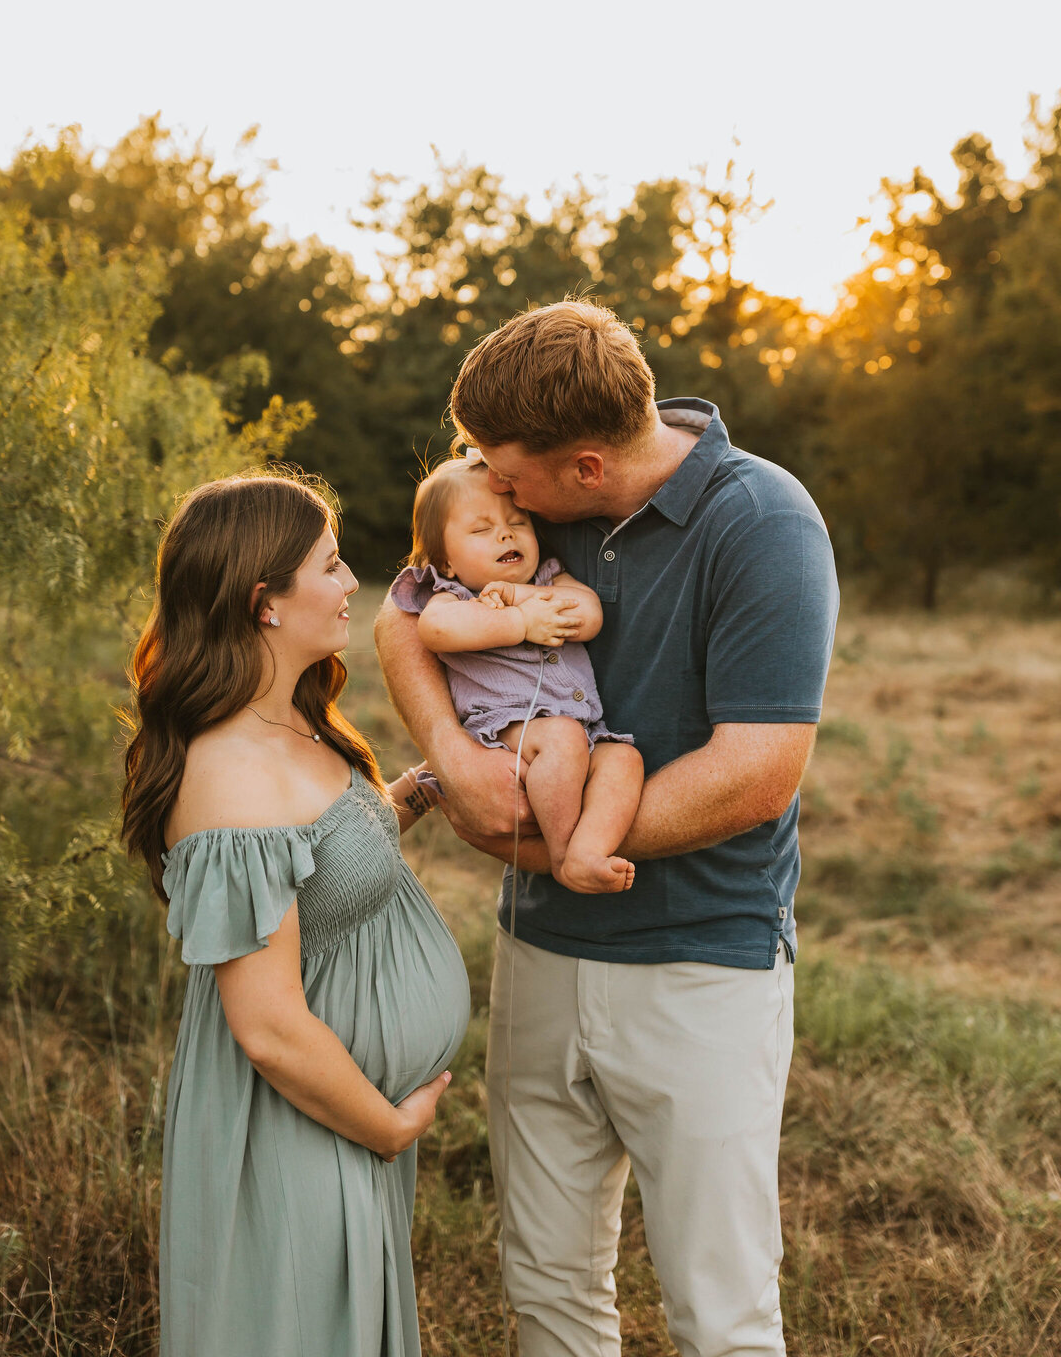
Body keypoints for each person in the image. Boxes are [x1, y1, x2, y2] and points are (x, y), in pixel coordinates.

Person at [374, 302, 839, 1357]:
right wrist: (452, 755)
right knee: (549, 1293)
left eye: (509, 474)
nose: (494, 488)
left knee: (719, 1314)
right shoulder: (530, 503)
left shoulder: (761, 522)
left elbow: (757, 770)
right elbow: (402, 618)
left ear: (585, 468)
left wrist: (544, 842)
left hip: (701, 960)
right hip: (541, 949)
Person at [121, 472, 470, 1357]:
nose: (355, 581)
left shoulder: (290, 723)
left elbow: (318, 861)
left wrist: (418, 792)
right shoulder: (229, 772)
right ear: (263, 600)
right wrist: (387, 1125)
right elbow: (269, 1026)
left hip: (336, 1116)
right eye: (332, 563)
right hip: (295, 1122)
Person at [389, 451, 643, 892]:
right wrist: (519, 623)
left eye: (517, 523)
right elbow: (436, 630)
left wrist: (521, 596)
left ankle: (588, 847)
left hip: (582, 729)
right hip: (504, 729)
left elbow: (589, 614)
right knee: (562, 739)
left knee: (624, 759)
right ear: (446, 561)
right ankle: (561, 854)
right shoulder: (451, 597)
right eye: (482, 529)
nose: (504, 533)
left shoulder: (550, 578)